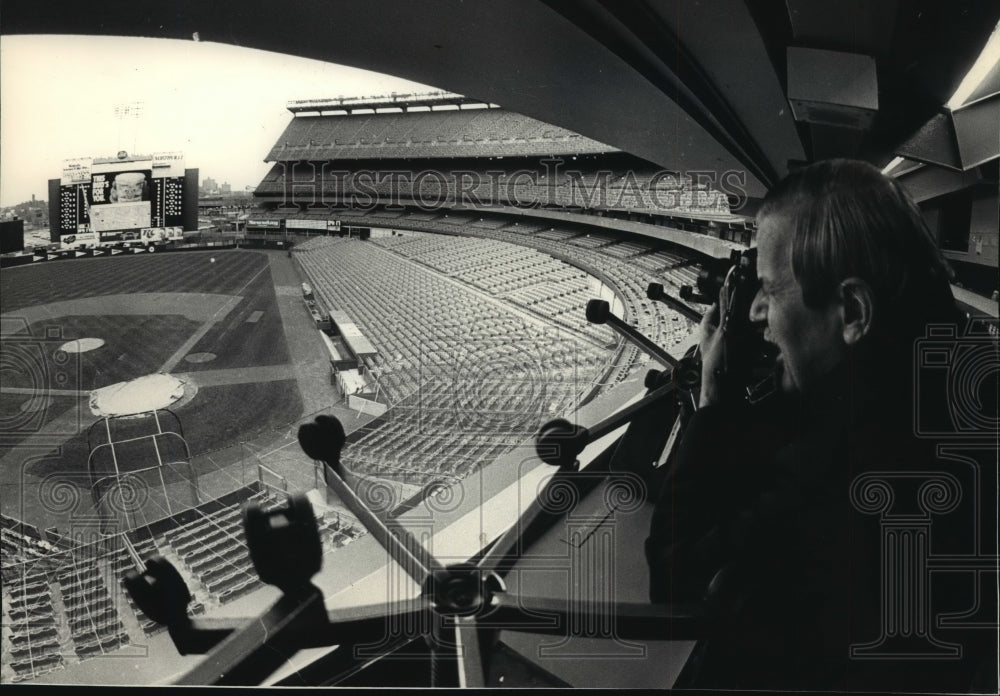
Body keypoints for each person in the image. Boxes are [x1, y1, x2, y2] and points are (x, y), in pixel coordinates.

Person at [645, 159, 991, 691]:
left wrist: (712, 397)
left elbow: (676, 571)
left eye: (770, 289)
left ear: (852, 311)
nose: (757, 312)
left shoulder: (848, 466)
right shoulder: (956, 380)